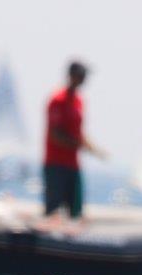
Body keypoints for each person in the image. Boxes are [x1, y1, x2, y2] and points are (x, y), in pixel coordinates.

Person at [43, 61, 102, 219]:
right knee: (53, 210)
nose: (84, 79)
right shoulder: (57, 100)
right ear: (72, 76)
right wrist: (77, 144)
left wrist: (93, 148)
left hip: (73, 165)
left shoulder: (79, 101)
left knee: (75, 211)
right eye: (81, 75)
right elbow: (54, 135)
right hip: (55, 163)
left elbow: (79, 133)